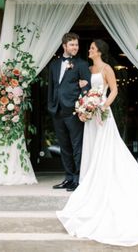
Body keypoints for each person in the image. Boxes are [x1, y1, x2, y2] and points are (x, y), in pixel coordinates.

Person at [56, 39, 138, 246]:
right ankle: (90, 178)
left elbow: (114, 90)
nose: (89, 50)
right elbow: (82, 89)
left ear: (99, 51)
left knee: (106, 149)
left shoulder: (107, 68)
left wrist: (101, 106)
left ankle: (105, 177)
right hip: (89, 115)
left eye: (92, 48)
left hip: (101, 114)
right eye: (89, 48)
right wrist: (85, 104)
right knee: (90, 149)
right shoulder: (87, 68)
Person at [48, 32, 91, 191]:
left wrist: (82, 107)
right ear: (64, 46)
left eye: (77, 45)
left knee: (77, 145)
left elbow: (87, 88)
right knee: (64, 146)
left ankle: (78, 179)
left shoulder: (81, 64)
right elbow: (52, 87)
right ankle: (68, 177)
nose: (75, 47)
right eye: (72, 44)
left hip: (74, 111)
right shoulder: (53, 65)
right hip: (57, 110)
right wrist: (51, 105)